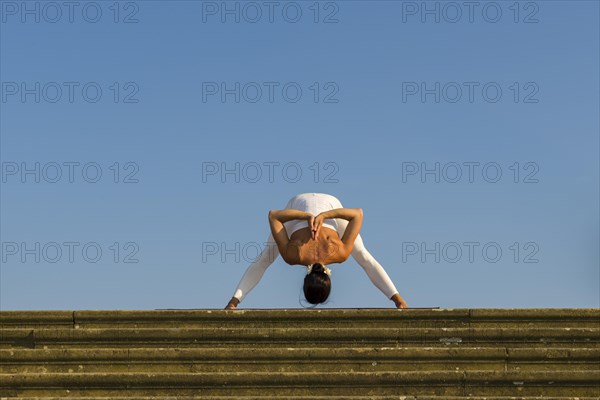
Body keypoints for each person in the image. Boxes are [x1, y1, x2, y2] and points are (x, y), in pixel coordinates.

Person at [224, 193, 408, 309]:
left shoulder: (340, 254)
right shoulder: (293, 255)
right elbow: (274, 216)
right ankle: (233, 302)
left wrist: (317, 216)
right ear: (304, 280)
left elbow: (357, 214)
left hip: (327, 204)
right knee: (265, 258)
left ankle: (399, 301)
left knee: (364, 257)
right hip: (302, 205)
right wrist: (318, 216)